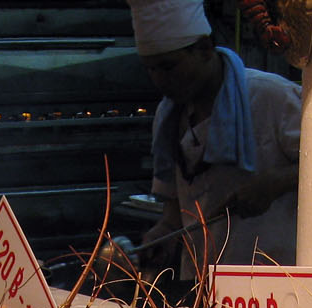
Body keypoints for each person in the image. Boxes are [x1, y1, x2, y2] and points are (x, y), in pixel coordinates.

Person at [129, 0, 302, 283]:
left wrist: (275, 183)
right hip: (203, 285)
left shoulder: (271, 97)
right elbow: (176, 208)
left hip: (274, 283)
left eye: (169, 67)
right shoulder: (169, 113)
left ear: (205, 49)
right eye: (151, 70)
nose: (161, 80)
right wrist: (163, 233)